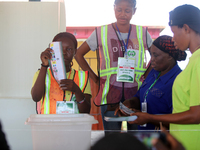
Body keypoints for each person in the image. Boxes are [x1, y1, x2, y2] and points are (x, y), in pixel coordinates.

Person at [128, 4, 200, 150]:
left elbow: (196, 114)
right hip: (180, 141)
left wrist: (150, 117)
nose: (173, 39)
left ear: (186, 28)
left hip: (192, 143)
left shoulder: (198, 62)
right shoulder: (194, 61)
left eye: (174, 32)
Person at [75, 0, 153, 134]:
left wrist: (146, 76)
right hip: (110, 94)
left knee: (136, 138)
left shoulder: (142, 33)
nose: (123, 14)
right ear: (114, 9)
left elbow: (156, 56)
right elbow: (78, 54)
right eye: (119, 10)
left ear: (134, 11)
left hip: (136, 94)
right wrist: (94, 78)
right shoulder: (101, 32)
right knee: (112, 139)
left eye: (127, 11)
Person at [115, 35, 186, 130]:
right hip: (144, 136)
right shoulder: (153, 72)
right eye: (151, 55)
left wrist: (148, 119)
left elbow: (180, 119)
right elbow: (140, 95)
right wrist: (129, 104)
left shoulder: (178, 81)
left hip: (162, 140)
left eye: (156, 55)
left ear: (169, 56)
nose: (151, 59)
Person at [31, 32, 91, 114]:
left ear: (75, 52)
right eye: (59, 49)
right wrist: (44, 66)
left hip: (72, 126)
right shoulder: (42, 73)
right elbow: (35, 97)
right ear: (52, 50)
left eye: (69, 49)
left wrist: (77, 91)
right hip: (48, 125)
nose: (64, 53)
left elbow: (86, 110)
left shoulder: (83, 77)